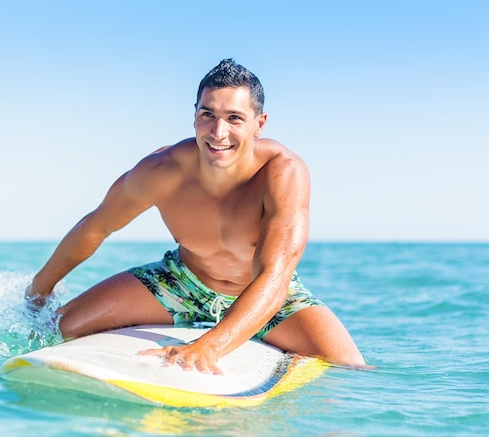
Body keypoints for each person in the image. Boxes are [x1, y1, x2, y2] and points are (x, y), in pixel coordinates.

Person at [25, 59, 366, 373]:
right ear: (194, 115)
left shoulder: (283, 173)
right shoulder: (163, 170)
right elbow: (96, 227)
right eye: (208, 115)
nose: (218, 132)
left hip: (265, 296)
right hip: (181, 281)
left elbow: (275, 278)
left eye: (235, 118)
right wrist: (39, 290)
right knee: (56, 328)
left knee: (350, 367)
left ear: (259, 124)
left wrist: (209, 347)